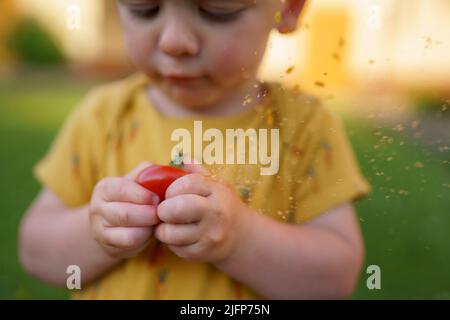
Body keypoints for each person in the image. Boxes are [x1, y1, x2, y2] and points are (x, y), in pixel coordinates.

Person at [19, 0, 371, 299]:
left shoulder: (303, 126)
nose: (174, 41)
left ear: (288, 9)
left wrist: (241, 239)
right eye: (145, 9)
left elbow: (334, 279)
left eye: (217, 11)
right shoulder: (102, 116)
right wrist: (97, 235)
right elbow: (35, 251)